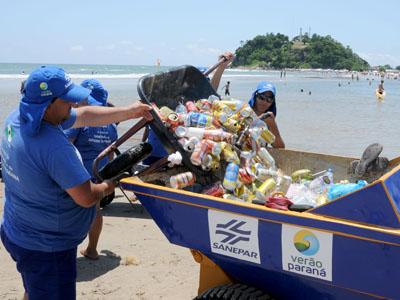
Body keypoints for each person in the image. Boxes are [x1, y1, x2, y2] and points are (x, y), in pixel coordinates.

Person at [0, 66, 152, 300]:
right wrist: (109, 184)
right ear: (48, 103)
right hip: (47, 248)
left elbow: (84, 116)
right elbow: (86, 196)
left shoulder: (19, 117)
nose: (73, 105)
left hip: (16, 229)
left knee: (33, 288)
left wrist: (130, 112)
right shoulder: (54, 146)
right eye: (67, 100)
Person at [142, 51, 234, 165]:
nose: (196, 88)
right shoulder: (172, 98)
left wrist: (221, 67)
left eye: (199, 85)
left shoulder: (201, 103)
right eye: (194, 84)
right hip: (160, 153)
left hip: (184, 152)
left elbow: (211, 90)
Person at [64, 79, 118, 260]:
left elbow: (66, 148)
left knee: (70, 214)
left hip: (77, 176)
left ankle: (67, 252)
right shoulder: (111, 124)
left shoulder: (80, 120)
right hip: (99, 175)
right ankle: (92, 249)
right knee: (95, 211)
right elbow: (110, 155)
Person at [248, 81, 285, 148]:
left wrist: (273, 125)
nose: (264, 102)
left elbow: (280, 148)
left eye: (269, 99)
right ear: (255, 96)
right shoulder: (244, 112)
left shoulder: (268, 120)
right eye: (261, 98)